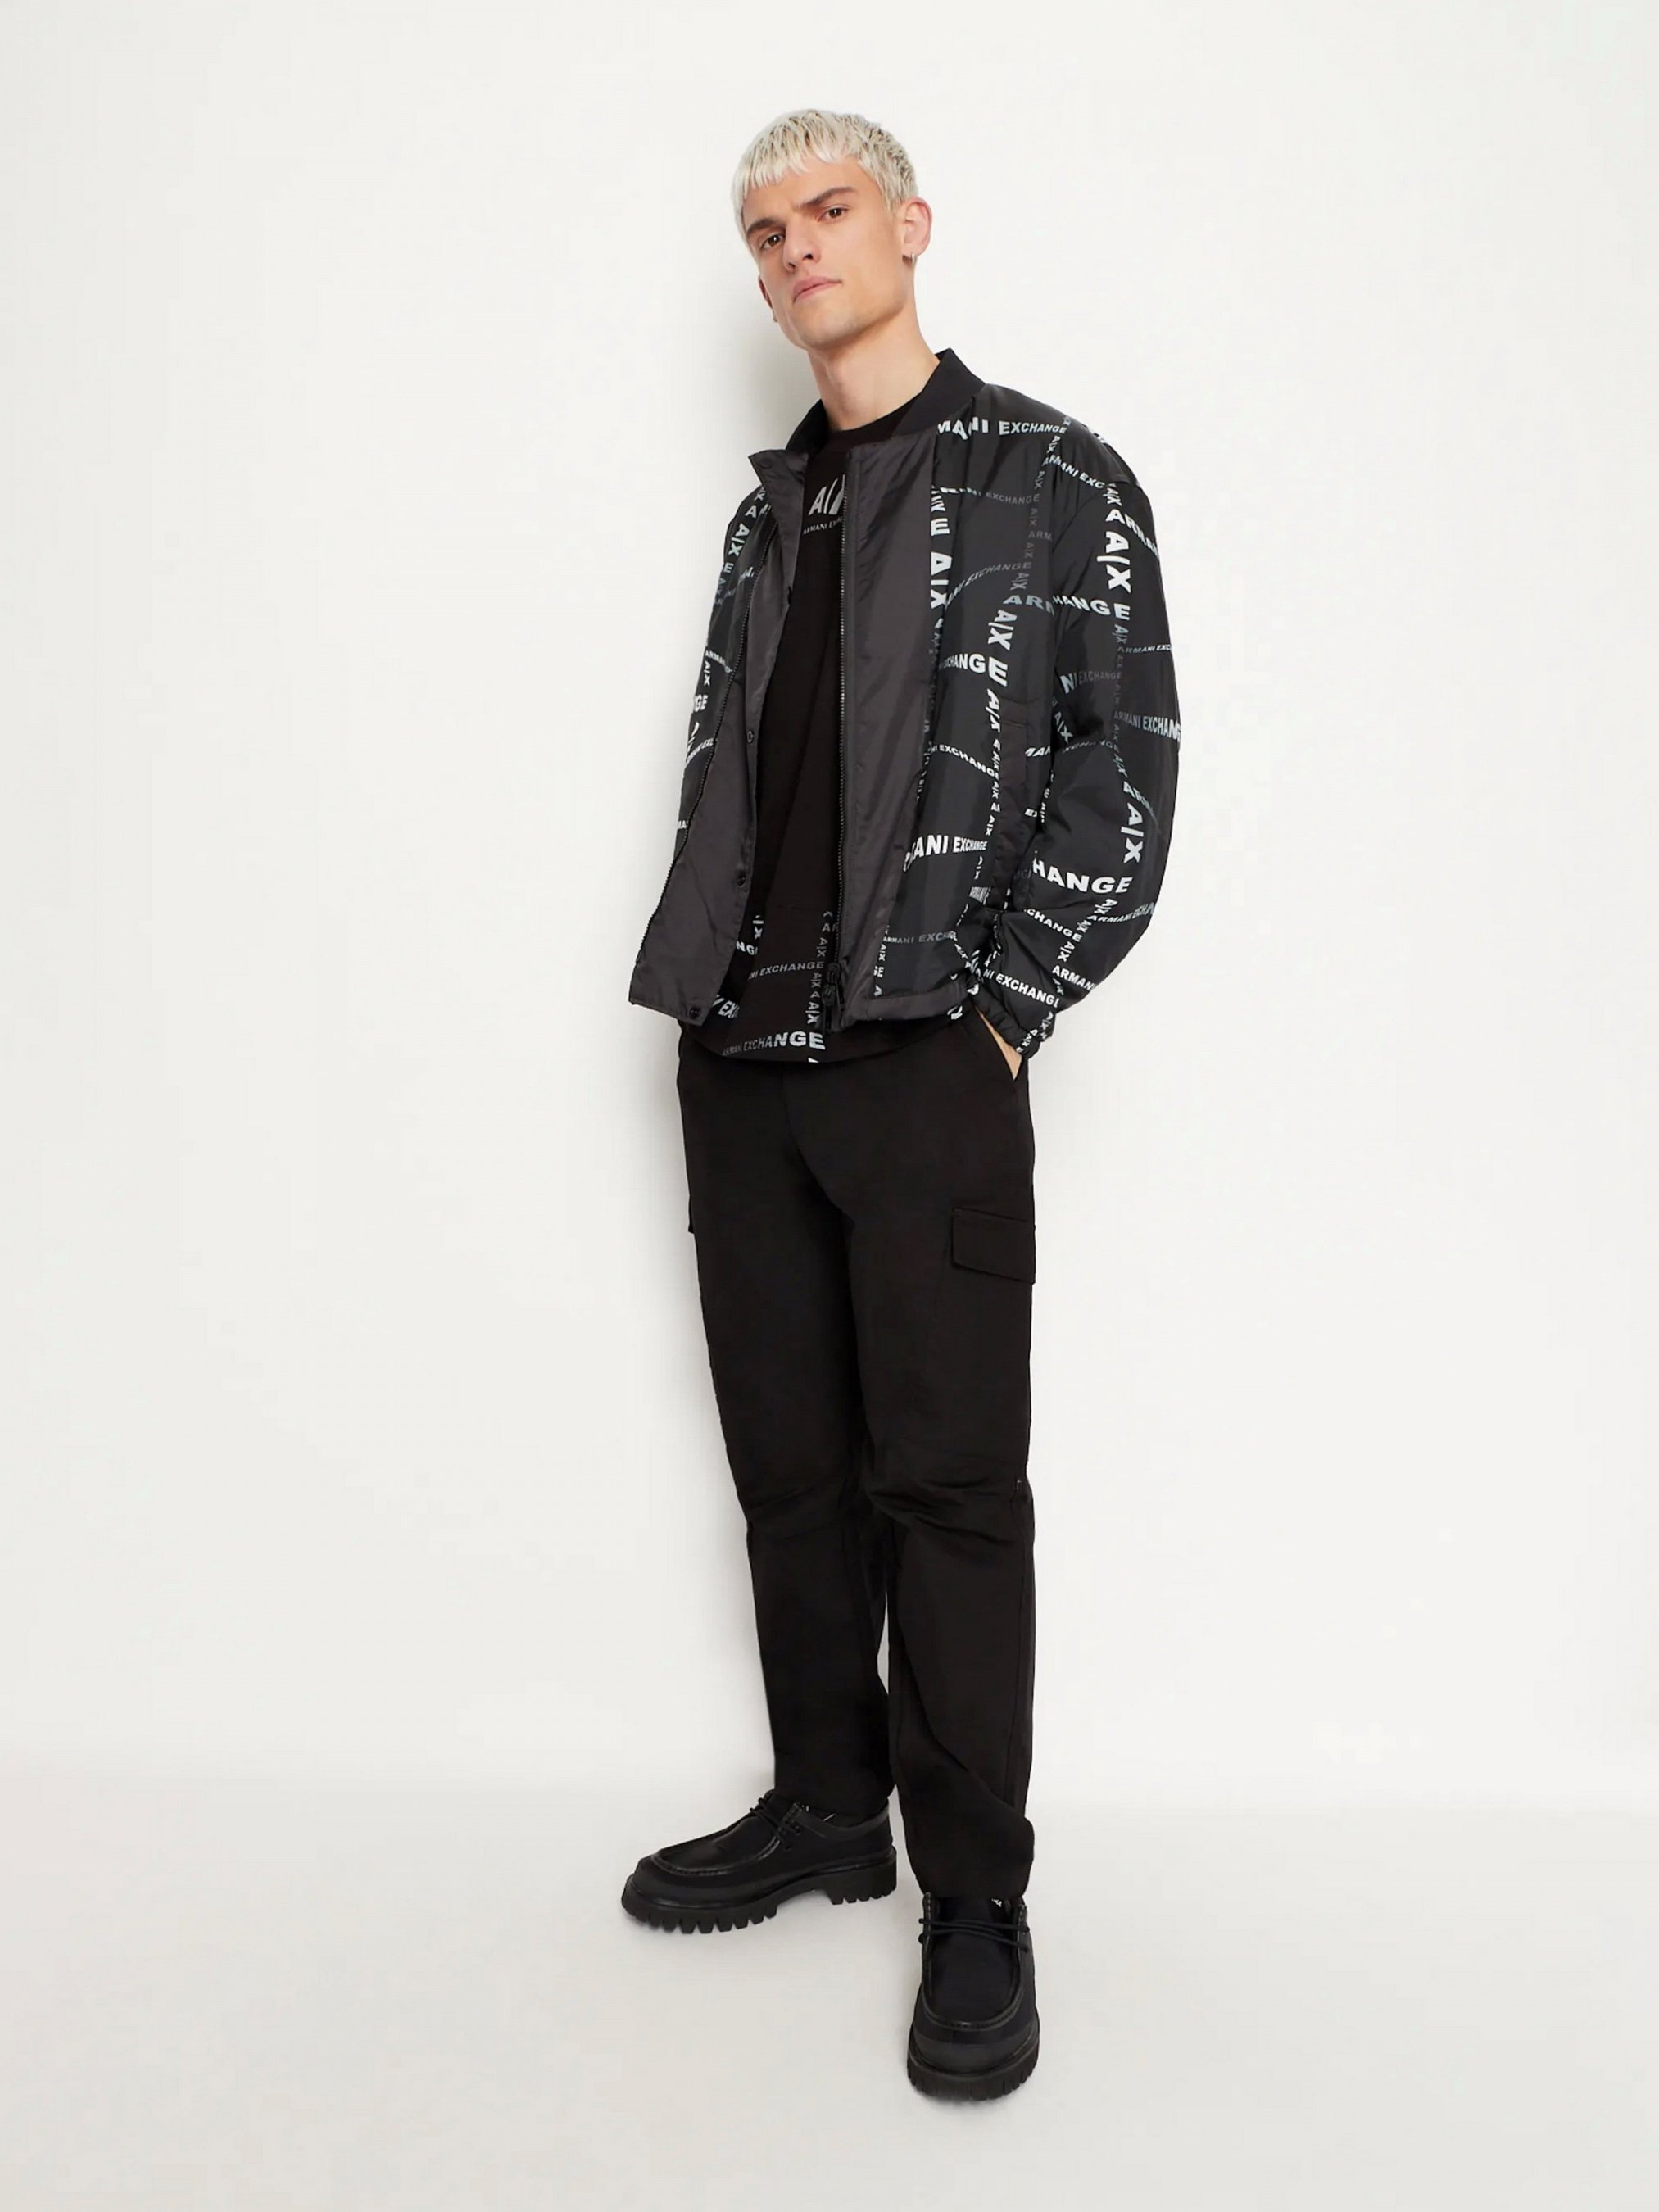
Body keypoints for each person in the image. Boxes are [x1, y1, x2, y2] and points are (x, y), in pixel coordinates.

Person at [623, 107, 1181, 2102]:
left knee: (945, 1492)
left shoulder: (1050, 475)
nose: (792, 250)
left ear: (909, 224)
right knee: (790, 1476)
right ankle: (823, 1807)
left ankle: (975, 1900)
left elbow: (1125, 765)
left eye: (826, 209)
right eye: (761, 230)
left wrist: (999, 1018)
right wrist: (695, 999)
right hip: (743, 1063)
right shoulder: (767, 510)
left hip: (924, 1057)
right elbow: (729, 762)